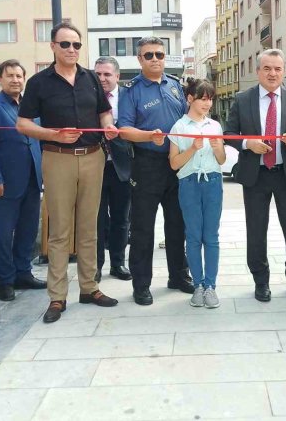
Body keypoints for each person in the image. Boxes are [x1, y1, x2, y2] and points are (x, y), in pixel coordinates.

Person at [17, 22, 120, 323]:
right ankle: (57, 297)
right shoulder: (38, 83)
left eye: (76, 45)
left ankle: (89, 288)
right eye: (65, 45)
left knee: (89, 227)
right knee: (60, 231)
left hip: (93, 157)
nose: (72, 50)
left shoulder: (90, 78)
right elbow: (22, 124)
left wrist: (108, 126)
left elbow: (104, 112)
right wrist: (52, 134)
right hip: (57, 158)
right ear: (53, 47)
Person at [224, 49, 286, 302]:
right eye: (267, 68)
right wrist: (247, 144)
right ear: (258, 71)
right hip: (256, 175)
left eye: (277, 69)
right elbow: (229, 134)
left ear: (283, 71)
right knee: (256, 231)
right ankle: (260, 281)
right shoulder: (243, 99)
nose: (272, 73)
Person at [117, 37, 193, 306]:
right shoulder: (130, 90)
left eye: (159, 55)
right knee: (142, 229)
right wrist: (148, 136)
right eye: (148, 55)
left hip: (176, 164)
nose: (154, 59)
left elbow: (187, 120)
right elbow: (124, 129)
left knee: (177, 224)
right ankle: (141, 284)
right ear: (139, 59)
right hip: (146, 164)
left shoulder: (175, 85)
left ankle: (178, 275)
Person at [0, 60, 46, 302]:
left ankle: (23, 273)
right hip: (4, 183)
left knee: (28, 231)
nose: (15, 79)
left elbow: (37, 141)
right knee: (3, 234)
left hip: (31, 180)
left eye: (19, 75)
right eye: (10, 75)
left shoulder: (30, 107)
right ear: (0, 79)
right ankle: (5, 281)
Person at [168, 79, 226, 308]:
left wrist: (217, 148)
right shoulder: (179, 127)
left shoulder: (215, 126)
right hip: (189, 183)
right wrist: (192, 148)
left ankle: (210, 286)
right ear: (190, 99)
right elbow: (174, 164)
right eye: (202, 98)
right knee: (193, 236)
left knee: (211, 236)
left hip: (213, 181)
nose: (207, 103)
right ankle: (198, 285)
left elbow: (221, 160)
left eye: (210, 98)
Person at [93, 57, 132, 283]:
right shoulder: (89, 95)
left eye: (107, 74)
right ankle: (96, 266)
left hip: (122, 167)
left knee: (121, 218)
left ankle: (118, 263)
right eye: (98, 74)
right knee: (96, 220)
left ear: (117, 76)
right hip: (94, 165)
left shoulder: (129, 96)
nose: (102, 79)